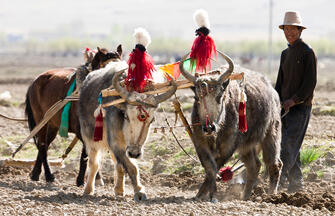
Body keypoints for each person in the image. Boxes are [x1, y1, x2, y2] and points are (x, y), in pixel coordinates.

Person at [275, 11, 317, 192]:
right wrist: (276, 101)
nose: (290, 32)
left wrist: (294, 100)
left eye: (294, 29)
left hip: (300, 108)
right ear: (283, 30)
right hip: (284, 107)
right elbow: (279, 82)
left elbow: (310, 83)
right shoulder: (285, 54)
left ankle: (278, 179)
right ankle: (296, 184)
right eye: (287, 29)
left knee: (289, 144)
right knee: (293, 145)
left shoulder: (308, 52)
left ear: (300, 30)